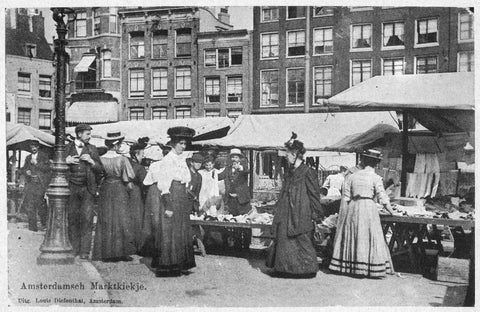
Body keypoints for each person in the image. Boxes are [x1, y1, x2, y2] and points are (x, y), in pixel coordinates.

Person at [329, 149, 395, 278]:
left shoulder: (352, 176)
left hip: (353, 207)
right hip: (368, 207)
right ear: (376, 163)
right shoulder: (376, 178)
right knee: (368, 235)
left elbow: (345, 198)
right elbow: (383, 198)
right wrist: (392, 211)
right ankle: (368, 266)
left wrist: (345, 216)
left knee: (355, 234)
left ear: (363, 161)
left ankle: (351, 265)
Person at [266, 134, 324, 278]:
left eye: (287, 154)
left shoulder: (308, 172)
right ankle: (284, 269)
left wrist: (316, 214)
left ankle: (306, 270)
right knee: (284, 239)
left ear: (295, 154)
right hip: (286, 212)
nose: (286, 156)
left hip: (300, 212)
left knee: (301, 239)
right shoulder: (289, 172)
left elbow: (314, 194)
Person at [143, 126, 196, 277]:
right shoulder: (167, 160)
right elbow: (164, 185)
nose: (183, 147)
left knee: (180, 230)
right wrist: (168, 205)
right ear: (173, 144)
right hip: (171, 195)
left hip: (181, 196)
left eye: (185, 144)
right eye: (180, 144)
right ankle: (168, 265)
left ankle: (179, 263)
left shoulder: (182, 160)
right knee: (169, 232)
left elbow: (186, 178)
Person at [92, 131, 136, 261]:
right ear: (116, 145)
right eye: (120, 143)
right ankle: (121, 252)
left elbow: (98, 175)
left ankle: (105, 252)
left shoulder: (100, 159)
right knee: (121, 219)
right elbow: (129, 176)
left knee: (106, 218)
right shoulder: (122, 159)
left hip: (106, 188)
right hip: (119, 188)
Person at [65, 124, 104, 259]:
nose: (90, 136)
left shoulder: (92, 149)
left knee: (87, 219)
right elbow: (55, 165)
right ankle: (74, 248)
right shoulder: (66, 148)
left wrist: (92, 161)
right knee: (73, 218)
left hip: (88, 189)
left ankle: (85, 251)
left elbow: (101, 170)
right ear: (79, 134)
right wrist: (66, 161)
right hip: (72, 189)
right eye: (87, 134)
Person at [19, 140, 51, 231]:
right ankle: (32, 227)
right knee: (30, 205)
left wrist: (36, 164)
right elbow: (23, 169)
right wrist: (26, 172)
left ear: (38, 147)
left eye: (35, 146)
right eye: (32, 146)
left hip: (40, 184)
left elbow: (48, 169)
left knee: (41, 205)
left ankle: (44, 224)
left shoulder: (44, 156)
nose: (33, 148)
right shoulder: (28, 157)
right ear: (30, 147)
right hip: (31, 184)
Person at [128, 137, 149, 252]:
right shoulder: (140, 168)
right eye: (142, 155)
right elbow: (145, 183)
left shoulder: (127, 163)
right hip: (136, 195)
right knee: (137, 219)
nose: (143, 157)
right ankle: (137, 246)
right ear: (136, 155)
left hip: (126, 195)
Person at [218, 148, 251, 216]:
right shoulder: (228, 168)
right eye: (232, 157)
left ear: (239, 159)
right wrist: (210, 172)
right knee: (233, 218)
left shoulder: (243, 167)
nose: (234, 159)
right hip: (231, 199)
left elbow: (246, 171)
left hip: (242, 199)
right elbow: (220, 176)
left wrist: (240, 168)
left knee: (243, 219)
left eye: (236, 157)